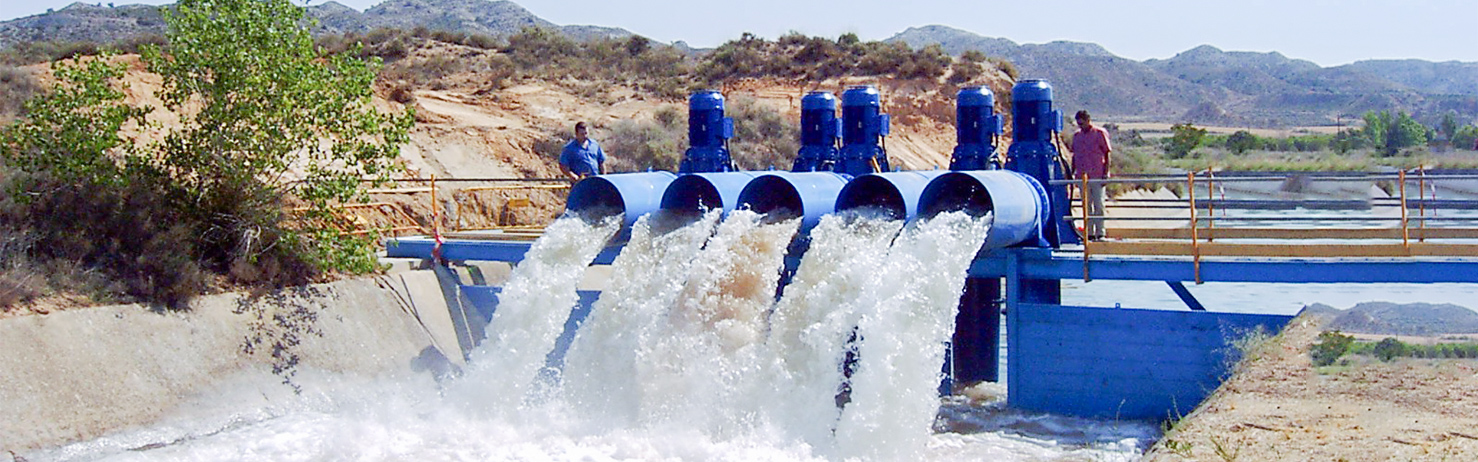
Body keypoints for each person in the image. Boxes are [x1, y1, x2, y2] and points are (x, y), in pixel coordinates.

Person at [1070, 110, 1112, 241]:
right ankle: (1089, 233)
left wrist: (1106, 173)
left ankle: (1100, 232)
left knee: (1098, 204)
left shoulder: (1099, 133)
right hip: (1082, 175)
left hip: (1097, 174)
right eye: (1078, 124)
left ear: (1088, 120)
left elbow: (1107, 153)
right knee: (1086, 205)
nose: (1080, 126)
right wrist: (1072, 172)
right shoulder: (1077, 136)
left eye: (1082, 123)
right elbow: (1075, 156)